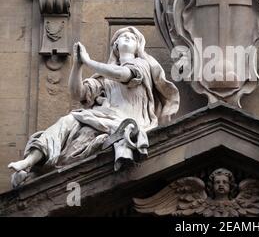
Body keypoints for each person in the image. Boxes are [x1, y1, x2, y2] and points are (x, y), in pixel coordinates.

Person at [8, 26, 179, 184]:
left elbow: (123, 74)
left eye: (132, 38)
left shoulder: (142, 66)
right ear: (115, 45)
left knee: (80, 143)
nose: (127, 38)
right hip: (103, 116)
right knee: (67, 121)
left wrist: (89, 61)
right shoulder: (103, 76)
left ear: (137, 46)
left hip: (127, 121)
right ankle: (29, 162)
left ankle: (37, 175)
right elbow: (78, 93)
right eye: (122, 37)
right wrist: (78, 65)